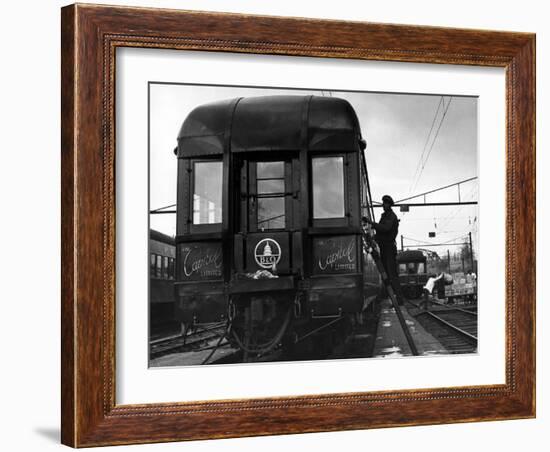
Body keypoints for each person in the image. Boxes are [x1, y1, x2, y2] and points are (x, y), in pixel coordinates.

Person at [363, 195, 405, 305]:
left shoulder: (391, 216)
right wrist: (373, 238)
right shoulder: (385, 216)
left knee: (391, 275)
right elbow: (381, 233)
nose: (383, 205)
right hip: (384, 248)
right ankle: (391, 297)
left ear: (389, 204)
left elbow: (385, 229)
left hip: (389, 248)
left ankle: (399, 299)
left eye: (385, 203)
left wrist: (372, 223)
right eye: (383, 203)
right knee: (386, 275)